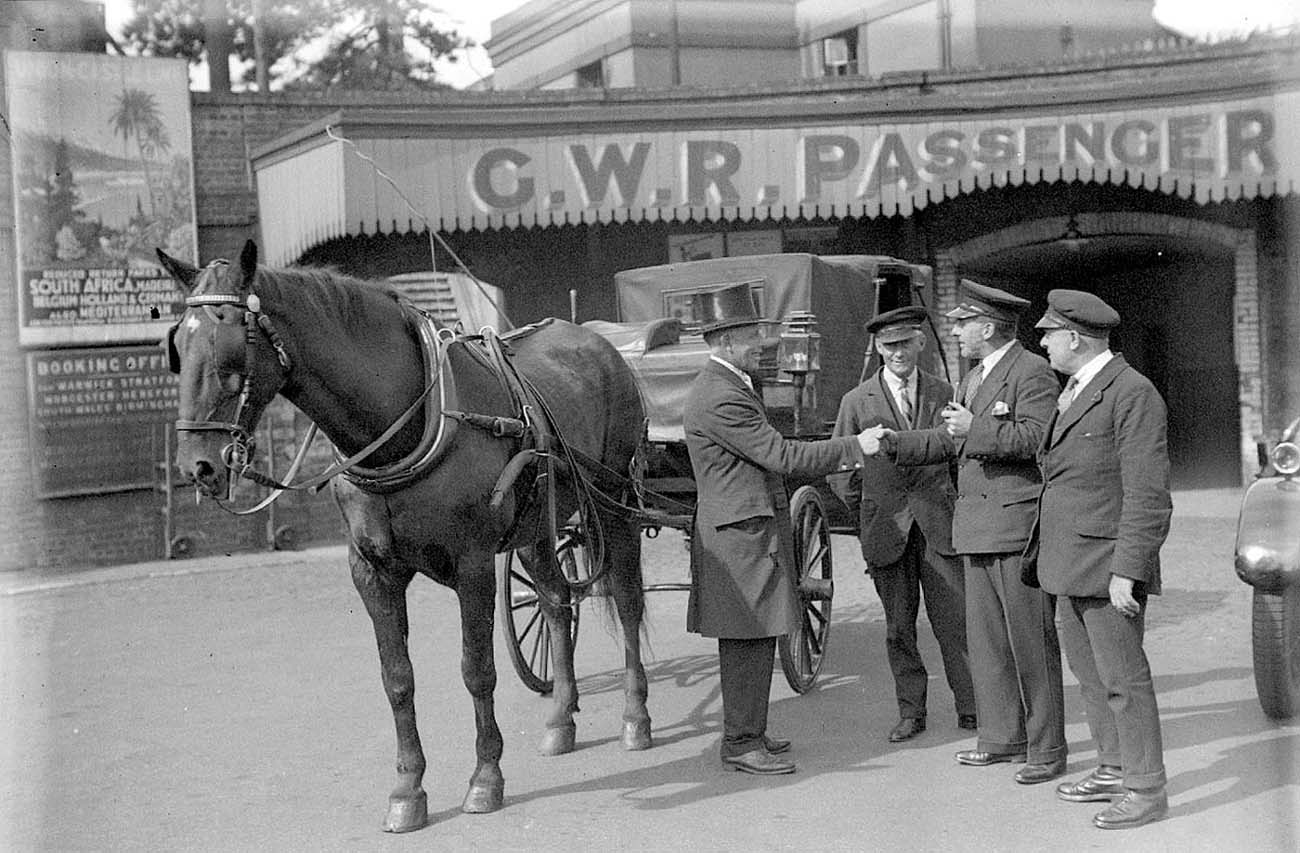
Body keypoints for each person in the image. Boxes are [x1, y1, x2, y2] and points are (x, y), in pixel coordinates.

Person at [860, 280, 1067, 785]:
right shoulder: (975, 377)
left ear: (989, 326)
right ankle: (1000, 737)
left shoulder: (1032, 372)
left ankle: (1045, 749)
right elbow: (951, 441)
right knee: (989, 642)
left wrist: (974, 428)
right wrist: (897, 444)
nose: (954, 330)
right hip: (974, 528)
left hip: (1015, 527)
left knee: (1030, 645)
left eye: (963, 322)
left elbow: (1037, 438)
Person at [683, 282, 876, 776]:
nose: (762, 346)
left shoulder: (732, 385)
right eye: (752, 336)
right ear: (726, 341)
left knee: (757, 636)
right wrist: (854, 446)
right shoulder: (720, 395)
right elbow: (781, 456)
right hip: (740, 538)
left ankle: (750, 731)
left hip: (746, 532)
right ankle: (740, 742)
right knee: (746, 638)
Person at [1027, 290, 1172, 829]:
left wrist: (1128, 571)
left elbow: (1148, 494)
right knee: (1092, 677)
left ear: (1074, 338)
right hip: (1071, 563)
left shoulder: (1132, 393)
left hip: (1109, 567)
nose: (1041, 341)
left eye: (1048, 333)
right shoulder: (1079, 389)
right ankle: (1112, 767)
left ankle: (1146, 787)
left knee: (1124, 681)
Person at [828, 306, 976, 743]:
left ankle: (970, 706)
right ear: (877, 348)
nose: (898, 354)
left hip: (938, 525)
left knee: (955, 621)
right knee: (898, 627)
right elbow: (841, 469)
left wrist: (950, 505)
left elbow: (958, 458)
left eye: (906, 344)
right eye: (889, 346)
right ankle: (912, 712)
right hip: (886, 530)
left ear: (920, 344)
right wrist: (869, 507)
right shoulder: (856, 402)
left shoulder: (944, 391)